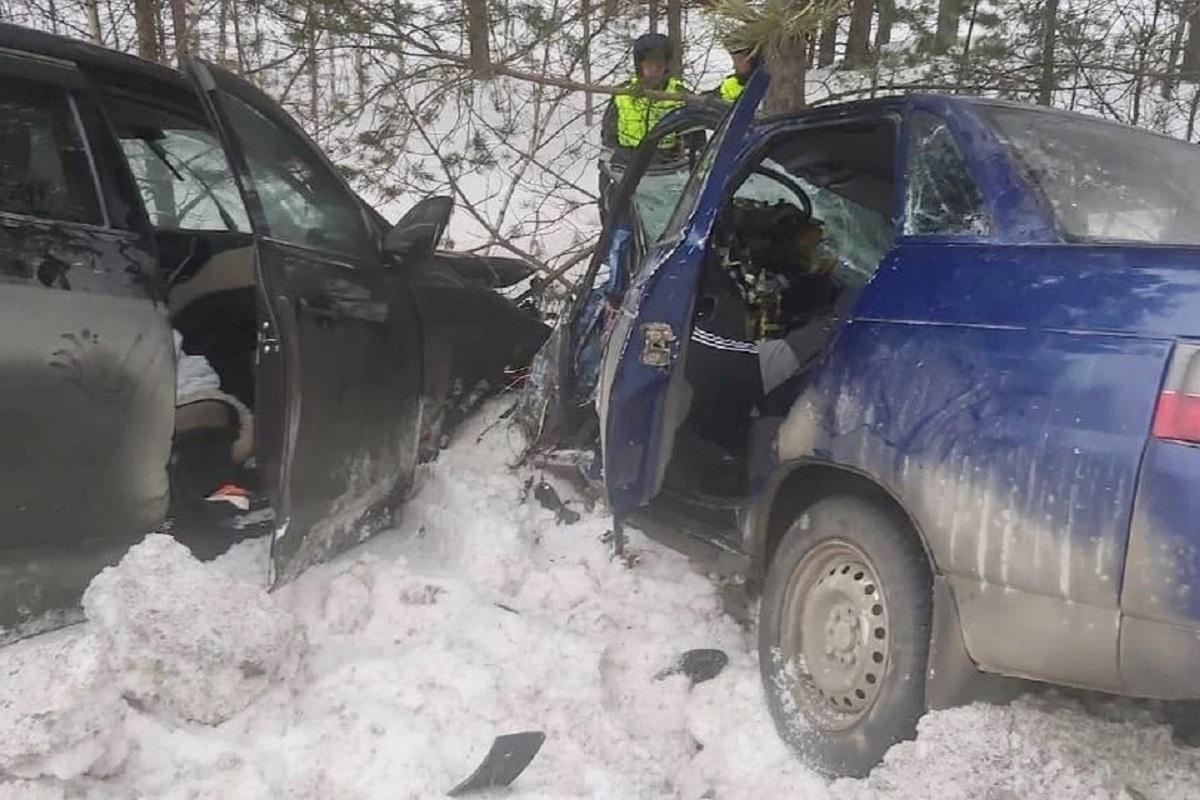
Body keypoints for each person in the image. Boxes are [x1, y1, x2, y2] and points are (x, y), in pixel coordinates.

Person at [598, 33, 687, 218]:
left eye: (659, 64)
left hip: (665, 172)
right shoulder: (623, 94)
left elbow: (694, 142)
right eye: (649, 65)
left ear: (667, 65)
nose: (654, 70)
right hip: (626, 169)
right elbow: (608, 140)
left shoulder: (680, 97)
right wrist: (610, 178)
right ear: (639, 65)